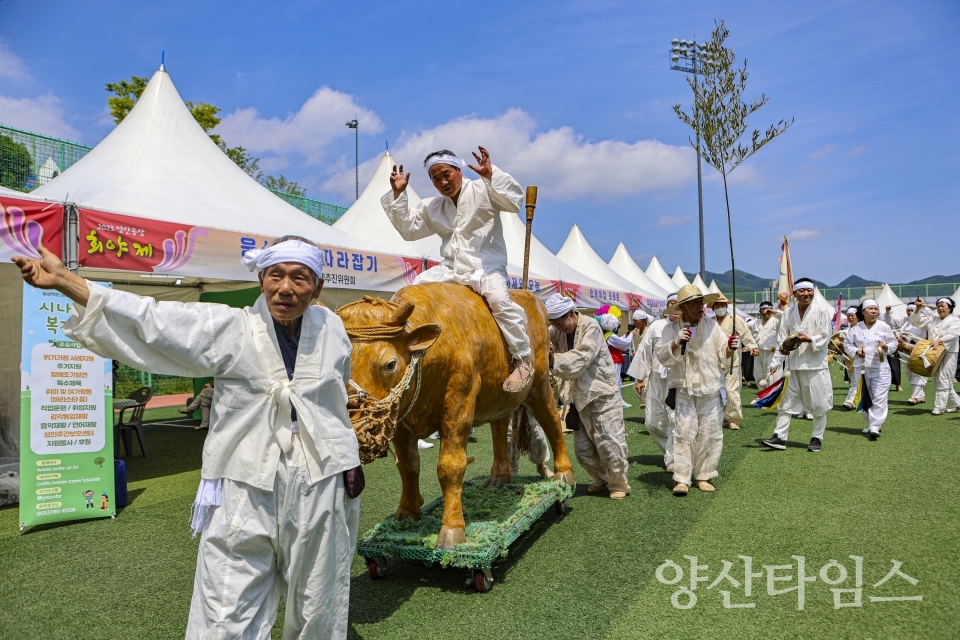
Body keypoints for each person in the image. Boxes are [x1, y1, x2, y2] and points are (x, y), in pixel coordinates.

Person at [14, 238, 361, 639]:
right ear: (262, 280)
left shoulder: (332, 329)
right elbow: (155, 320)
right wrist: (69, 282)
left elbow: (334, 397)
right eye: (275, 276)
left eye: (299, 278)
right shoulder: (231, 327)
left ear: (316, 288)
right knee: (227, 602)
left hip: (318, 478)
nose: (285, 288)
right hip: (244, 480)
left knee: (318, 595)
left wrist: (346, 458)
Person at [382, 146, 531, 393]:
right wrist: (399, 195)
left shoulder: (484, 190)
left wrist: (491, 174)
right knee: (412, 291)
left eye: (446, 174)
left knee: (498, 299)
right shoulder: (434, 207)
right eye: (435, 178)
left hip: (486, 266)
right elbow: (409, 229)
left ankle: (523, 358)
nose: (442, 182)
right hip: (451, 268)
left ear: (459, 171)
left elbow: (515, 202)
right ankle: (406, 357)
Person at [545, 294, 631, 500]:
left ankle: (619, 483)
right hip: (577, 397)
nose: (558, 327)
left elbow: (581, 358)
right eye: (554, 324)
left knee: (610, 442)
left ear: (572, 314)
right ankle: (602, 478)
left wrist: (551, 359)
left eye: (560, 322)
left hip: (601, 393)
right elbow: (543, 339)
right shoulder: (555, 331)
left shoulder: (590, 326)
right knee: (583, 450)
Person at [656, 285, 735, 495]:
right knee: (683, 431)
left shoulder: (712, 325)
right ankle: (682, 478)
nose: (701, 306)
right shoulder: (670, 328)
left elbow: (722, 351)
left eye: (701, 301)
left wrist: (730, 346)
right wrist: (676, 342)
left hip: (709, 386)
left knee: (710, 432)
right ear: (684, 307)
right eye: (695, 302)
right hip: (683, 387)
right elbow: (662, 357)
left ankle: (704, 475)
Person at [761, 278, 833, 453]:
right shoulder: (788, 314)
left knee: (818, 404)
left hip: (815, 366)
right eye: (802, 291)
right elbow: (782, 340)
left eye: (809, 290)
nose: (806, 294)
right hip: (793, 367)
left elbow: (826, 336)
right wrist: (777, 360)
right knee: (785, 402)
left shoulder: (821, 311)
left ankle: (817, 437)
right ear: (795, 294)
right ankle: (779, 437)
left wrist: (809, 339)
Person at [628, 292, 679, 472]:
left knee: (675, 420)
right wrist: (640, 378)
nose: (675, 307)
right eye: (672, 303)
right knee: (652, 422)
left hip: (678, 379)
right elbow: (644, 353)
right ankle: (675, 452)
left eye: (679, 304)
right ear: (667, 306)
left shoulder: (688, 326)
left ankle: (673, 460)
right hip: (657, 379)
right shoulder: (656, 326)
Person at [844, 300, 898, 440]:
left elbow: (894, 343)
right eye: (870, 309)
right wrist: (856, 351)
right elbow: (847, 345)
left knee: (879, 396)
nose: (873, 311)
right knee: (863, 396)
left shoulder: (884, 326)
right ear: (862, 311)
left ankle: (874, 426)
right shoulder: (855, 329)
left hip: (880, 368)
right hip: (860, 368)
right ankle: (872, 422)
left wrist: (886, 347)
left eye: (875, 309)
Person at [710, 294, 759, 430]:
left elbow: (745, 333)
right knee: (715, 390)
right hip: (715, 360)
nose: (720, 308)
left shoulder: (735, 319)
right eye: (717, 305)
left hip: (732, 359)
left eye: (722, 305)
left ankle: (732, 418)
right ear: (713, 308)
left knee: (732, 390)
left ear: (726, 306)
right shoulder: (710, 322)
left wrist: (752, 346)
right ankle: (719, 417)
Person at [909, 297, 960, 415]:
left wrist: (939, 340)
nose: (940, 308)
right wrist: (917, 309)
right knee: (939, 380)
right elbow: (915, 322)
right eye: (939, 306)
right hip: (934, 353)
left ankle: (939, 408)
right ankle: (957, 403)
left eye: (943, 306)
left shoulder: (955, 320)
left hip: (949, 353)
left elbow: (953, 334)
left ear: (950, 308)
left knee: (943, 379)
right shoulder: (932, 318)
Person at [885, 303, 928, 404]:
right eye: (908, 310)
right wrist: (887, 312)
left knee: (918, 372)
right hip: (905, 350)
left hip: (919, 349)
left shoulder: (922, 321)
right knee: (910, 373)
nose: (910, 312)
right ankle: (920, 396)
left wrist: (905, 338)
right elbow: (890, 321)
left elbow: (918, 336)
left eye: (912, 310)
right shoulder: (904, 320)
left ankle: (914, 396)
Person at [597, 305, 636, 408]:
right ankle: (618, 401)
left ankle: (617, 400)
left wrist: (626, 335)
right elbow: (624, 344)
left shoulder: (606, 334)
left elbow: (619, 342)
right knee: (616, 381)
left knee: (614, 381)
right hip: (613, 361)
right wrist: (631, 335)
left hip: (610, 361)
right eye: (618, 319)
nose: (620, 321)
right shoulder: (611, 335)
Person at [754, 301, 781, 388]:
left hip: (772, 351)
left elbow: (786, 317)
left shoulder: (777, 321)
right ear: (760, 311)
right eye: (763, 309)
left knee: (772, 375)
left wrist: (774, 312)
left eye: (768, 309)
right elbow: (744, 329)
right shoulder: (756, 322)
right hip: (759, 352)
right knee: (758, 375)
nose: (766, 311)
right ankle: (762, 396)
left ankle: (772, 397)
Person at [841, 306, 862, 410]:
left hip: (859, 359)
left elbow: (862, 344)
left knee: (855, 381)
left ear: (857, 316)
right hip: (848, 360)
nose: (850, 317)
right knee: (853, 381)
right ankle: (856, 400)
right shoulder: (846, 330)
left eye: (852, 315)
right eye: (848, 315)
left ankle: (850, 401)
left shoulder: (862, 329)